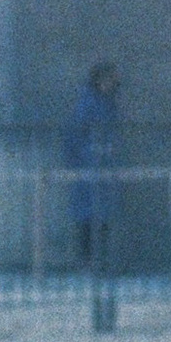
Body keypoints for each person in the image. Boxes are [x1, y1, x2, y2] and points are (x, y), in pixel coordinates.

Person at [63, 60, 123, 272]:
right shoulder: (89, 104)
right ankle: (88, 262)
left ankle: (99, 261)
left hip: (102, 169)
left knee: (102, 217)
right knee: (89, 218)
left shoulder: (108, 103)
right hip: (89, 168)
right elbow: (76, 135)